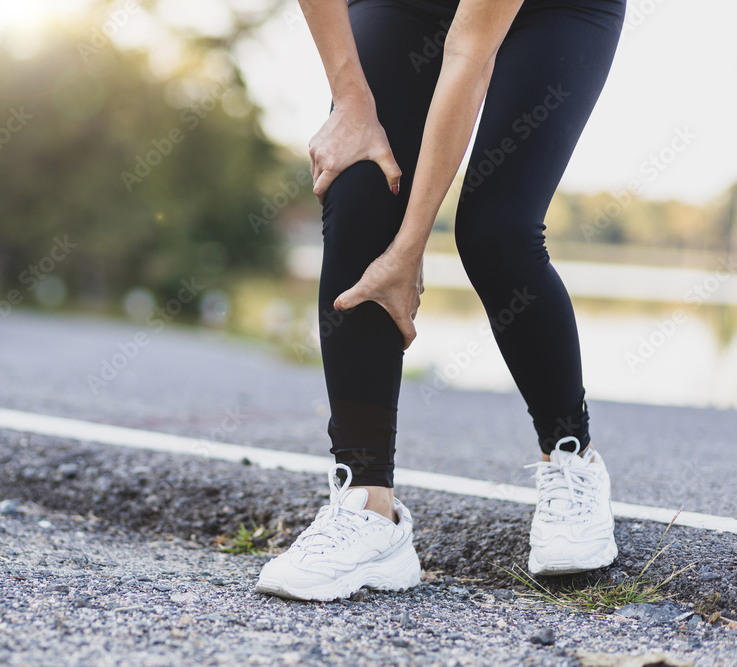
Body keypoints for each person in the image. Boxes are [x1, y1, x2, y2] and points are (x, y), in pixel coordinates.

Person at [255, 0, 625, 601]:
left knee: (496, 230)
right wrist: (351, 102)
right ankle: (368, 506)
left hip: (559, 10)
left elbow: (468, 53)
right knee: (360, 185)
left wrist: (409, 247)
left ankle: (570, 457)